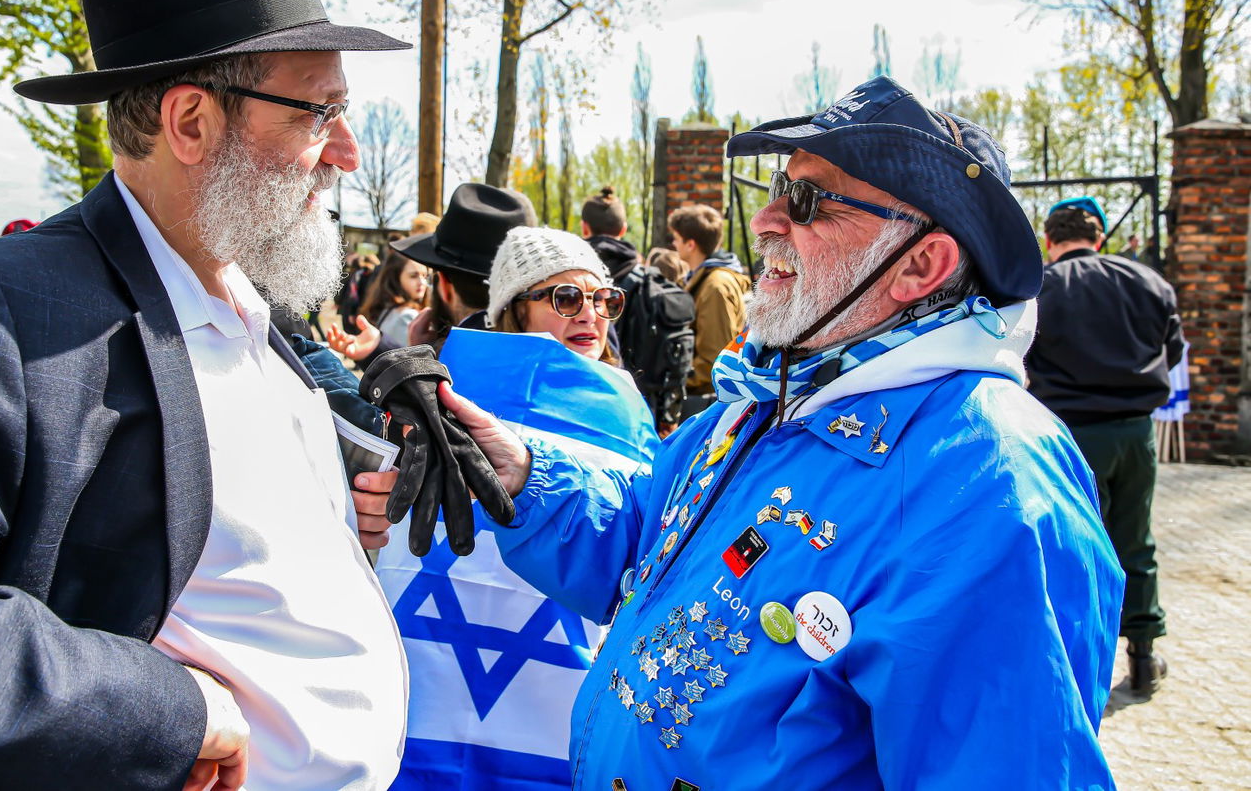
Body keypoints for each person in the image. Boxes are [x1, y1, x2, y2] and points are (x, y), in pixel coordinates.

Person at [0, 0, 411, 791]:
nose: (344, 150)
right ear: (191, 123)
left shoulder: (250, 296)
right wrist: (166, 711)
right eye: (318, 111)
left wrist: (334, 509)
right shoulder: (1, 308)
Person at [443, 76, 1124, 788]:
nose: (766, 221)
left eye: (807, 200)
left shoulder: (990, 483)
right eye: (776, 188)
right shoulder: (770, 398)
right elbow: (643, 532)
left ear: (921, 264)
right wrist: (523, 470)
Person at [379, 226, 657, 790]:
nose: (591, 314)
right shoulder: (439, 400)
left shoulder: (628, 413)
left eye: (604, 299)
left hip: (545, 656)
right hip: (441, 659)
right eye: (566, 297)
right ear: (512, 311)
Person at [1027, 195, 1185, 697]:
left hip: (1068, 433)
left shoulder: (1040, 289)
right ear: (1100, 239)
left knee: (1071, 543)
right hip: (1135, 431)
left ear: (1049, 242)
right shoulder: (1148, 282)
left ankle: (1072, 662)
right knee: (1135, 538)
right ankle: (1142, 654)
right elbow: (1173, 347)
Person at [583, 187, 695, 433]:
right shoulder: (649, 283)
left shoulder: (562, 288)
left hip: (578, 411)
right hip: (642, 416)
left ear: (584, 228)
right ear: (623, 229)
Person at [668, 203, 750, 410]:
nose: (673, 244)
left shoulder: (715, 286)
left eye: (676, 238)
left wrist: (673, 383)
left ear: (690, 244)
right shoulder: (704, 279)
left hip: (706, 401)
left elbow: (715, 357)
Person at [357, 249, 429, 347]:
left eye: (425, 276)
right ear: (395, 278)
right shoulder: (407, 316)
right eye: (413, 276)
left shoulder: (386, 309)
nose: (422, 282)